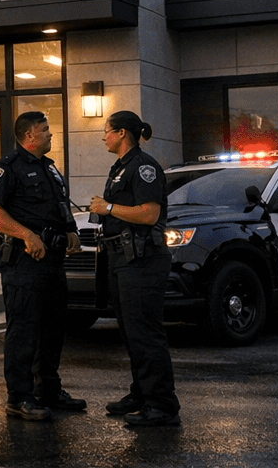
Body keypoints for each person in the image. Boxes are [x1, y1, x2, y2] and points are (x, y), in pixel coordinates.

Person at [0, 110, 85, 421]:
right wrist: (25, 234)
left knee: (53, 328)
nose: (51, 134)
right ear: (30, 136)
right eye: (46, 130)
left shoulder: (50, 169)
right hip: (24, 263)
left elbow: (60, 205)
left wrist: (71, 231)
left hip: (52, 261)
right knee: (23, 330)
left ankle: (48, 390)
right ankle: (19, 397)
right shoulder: (7, 168)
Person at [88, 110, 181, 428]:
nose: (104, 137)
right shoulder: (121, 167)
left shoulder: (143, 167)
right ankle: (141, 393)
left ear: (123, 133)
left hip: (141, 260)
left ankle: (162, 404)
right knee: (130, 331)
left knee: (145, 332)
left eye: (107, 131)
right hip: (121, 259)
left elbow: (149, 214)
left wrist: (109, 207)